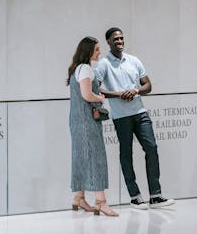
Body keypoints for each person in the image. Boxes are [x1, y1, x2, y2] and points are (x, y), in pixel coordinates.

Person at [95, 27, 175, 209]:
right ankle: (135, 197)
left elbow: (148, 85)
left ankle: (156, 196)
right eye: (115, 39)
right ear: (108, 42)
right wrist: (118, 94)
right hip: (121, 117)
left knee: (152, 147)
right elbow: (96, 89)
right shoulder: (103, 64)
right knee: (126, 154)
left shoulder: (134, 60)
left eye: (121, 38)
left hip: (140, 112)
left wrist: (136, 90)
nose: (119, 41)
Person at [67, 36, 118, 217]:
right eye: (96, 49)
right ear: (88, 51)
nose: (99, 52)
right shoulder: (86, 69)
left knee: (80, 157)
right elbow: (87, 95)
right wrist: (100, 98)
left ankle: (78, 197)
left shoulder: (76, 69)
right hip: (87, 121)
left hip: (76, 120)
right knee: (97, 158)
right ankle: (101, 202)